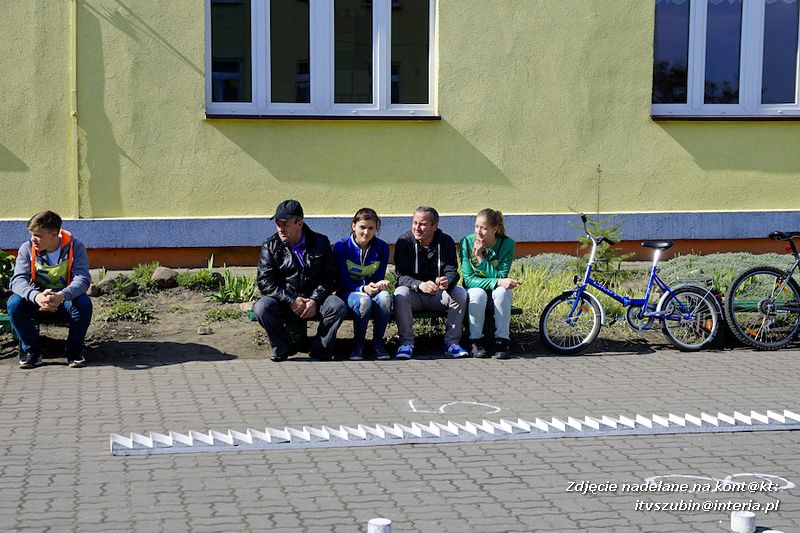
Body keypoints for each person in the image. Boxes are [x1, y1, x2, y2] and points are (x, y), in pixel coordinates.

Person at [253, 199, 347, 361]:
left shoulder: (320, 242)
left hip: (315, 300)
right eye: (277, 224)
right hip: (285, 301)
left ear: (299, 223)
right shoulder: (270, 245)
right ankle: (283, 347)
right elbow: (265, 281)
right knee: (261, 307)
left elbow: (332, 276)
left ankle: (320, 348)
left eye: (284, 224)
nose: (280, 229)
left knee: (337, 306)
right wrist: (291, 300)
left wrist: (315, 299)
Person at [7, 211, 92, 369]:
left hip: (65, 301)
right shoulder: (27, 248)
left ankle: (74, 352)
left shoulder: (75, 247)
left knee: (84, 303)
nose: (33, 239)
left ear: (54, 235)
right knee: (14, 303)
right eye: (32, 234)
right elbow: (17, 281)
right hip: (37, 302)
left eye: (38, 235)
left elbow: (82, 279)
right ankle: (33, 352)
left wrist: (61, 296)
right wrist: (37, 296)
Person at [393, 206, 469, 359]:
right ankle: (406, 343)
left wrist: (447, 281)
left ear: (434, 226)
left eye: (422, 224)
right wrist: (419, 285)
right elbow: (400, 276)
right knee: (400, 293)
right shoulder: (404, 241)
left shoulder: (446, 241)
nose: (417, 228)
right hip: (414, 295)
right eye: (415, 223)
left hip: (438, 295)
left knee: (460, 293)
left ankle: (451, 343)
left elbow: (452, 271)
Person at [333, 208, 392, 361]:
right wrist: (362, 288)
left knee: (385, 298)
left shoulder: (382, 248)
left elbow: (378, 276)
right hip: (348, 291)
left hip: (370, 290)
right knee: (363, 300)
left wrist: (380, 285)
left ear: (376, 229)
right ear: (354, 226)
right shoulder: (341, 246)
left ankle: (378, 344)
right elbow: (341, 279)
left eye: (371, 228)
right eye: (362, 227)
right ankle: (358, 345)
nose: (366, 232)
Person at [460, 208, 518, 359]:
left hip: (494, 291)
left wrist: (481, 259)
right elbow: (469, 280)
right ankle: (475, 341)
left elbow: (502, 275)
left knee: (503, 292)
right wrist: (497, 281)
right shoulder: (467, 242)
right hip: (474, 289)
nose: (478, 232)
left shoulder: (507, 244)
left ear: (495, 229)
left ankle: (502, 341)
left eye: (484, 228)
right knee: (477, 293)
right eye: (476, 226)